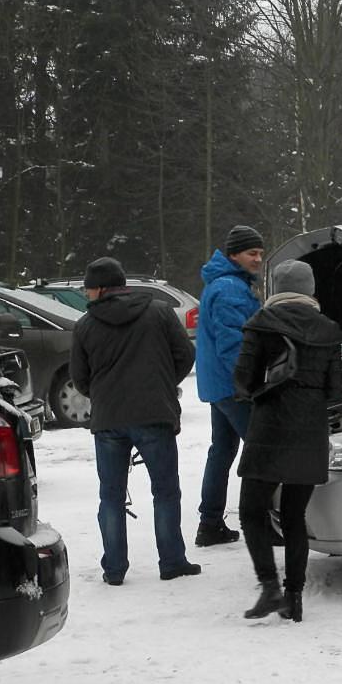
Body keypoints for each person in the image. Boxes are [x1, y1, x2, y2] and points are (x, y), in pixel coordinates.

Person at [69, 257, 199, 585]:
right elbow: (185, 354)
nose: (87, 295)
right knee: (166, 491)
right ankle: (171, 561)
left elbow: (80, 378)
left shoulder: (84, 326)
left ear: (100, 288)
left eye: (88, 289)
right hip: (154, 413)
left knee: (110, 495)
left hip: (109, 420)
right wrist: (164, 383)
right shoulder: (159, 312)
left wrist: (102, 393)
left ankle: (114, 569)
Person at [233, 259, 342, 623]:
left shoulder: (261, 324)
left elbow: (243, 380)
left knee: (252, 509)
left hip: (270, 427)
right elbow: (333, 389)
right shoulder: (329, 330)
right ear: (311, 289)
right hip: (310, 429)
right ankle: (294, 597)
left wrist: (259, 391)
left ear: (277, 288)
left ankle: (269, 587)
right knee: (295, 515)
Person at [194, 225, 265, 547]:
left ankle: (209, 523)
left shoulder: (224, 285)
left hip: (219, 386)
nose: (258, 259)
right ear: (233, 254)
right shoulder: (230, 290)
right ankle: (264, 523)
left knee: (221, 453)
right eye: (252, 253)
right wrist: (249, 383)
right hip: (234, 388)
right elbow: (233, 344)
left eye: (261, 253)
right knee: (263, 452)